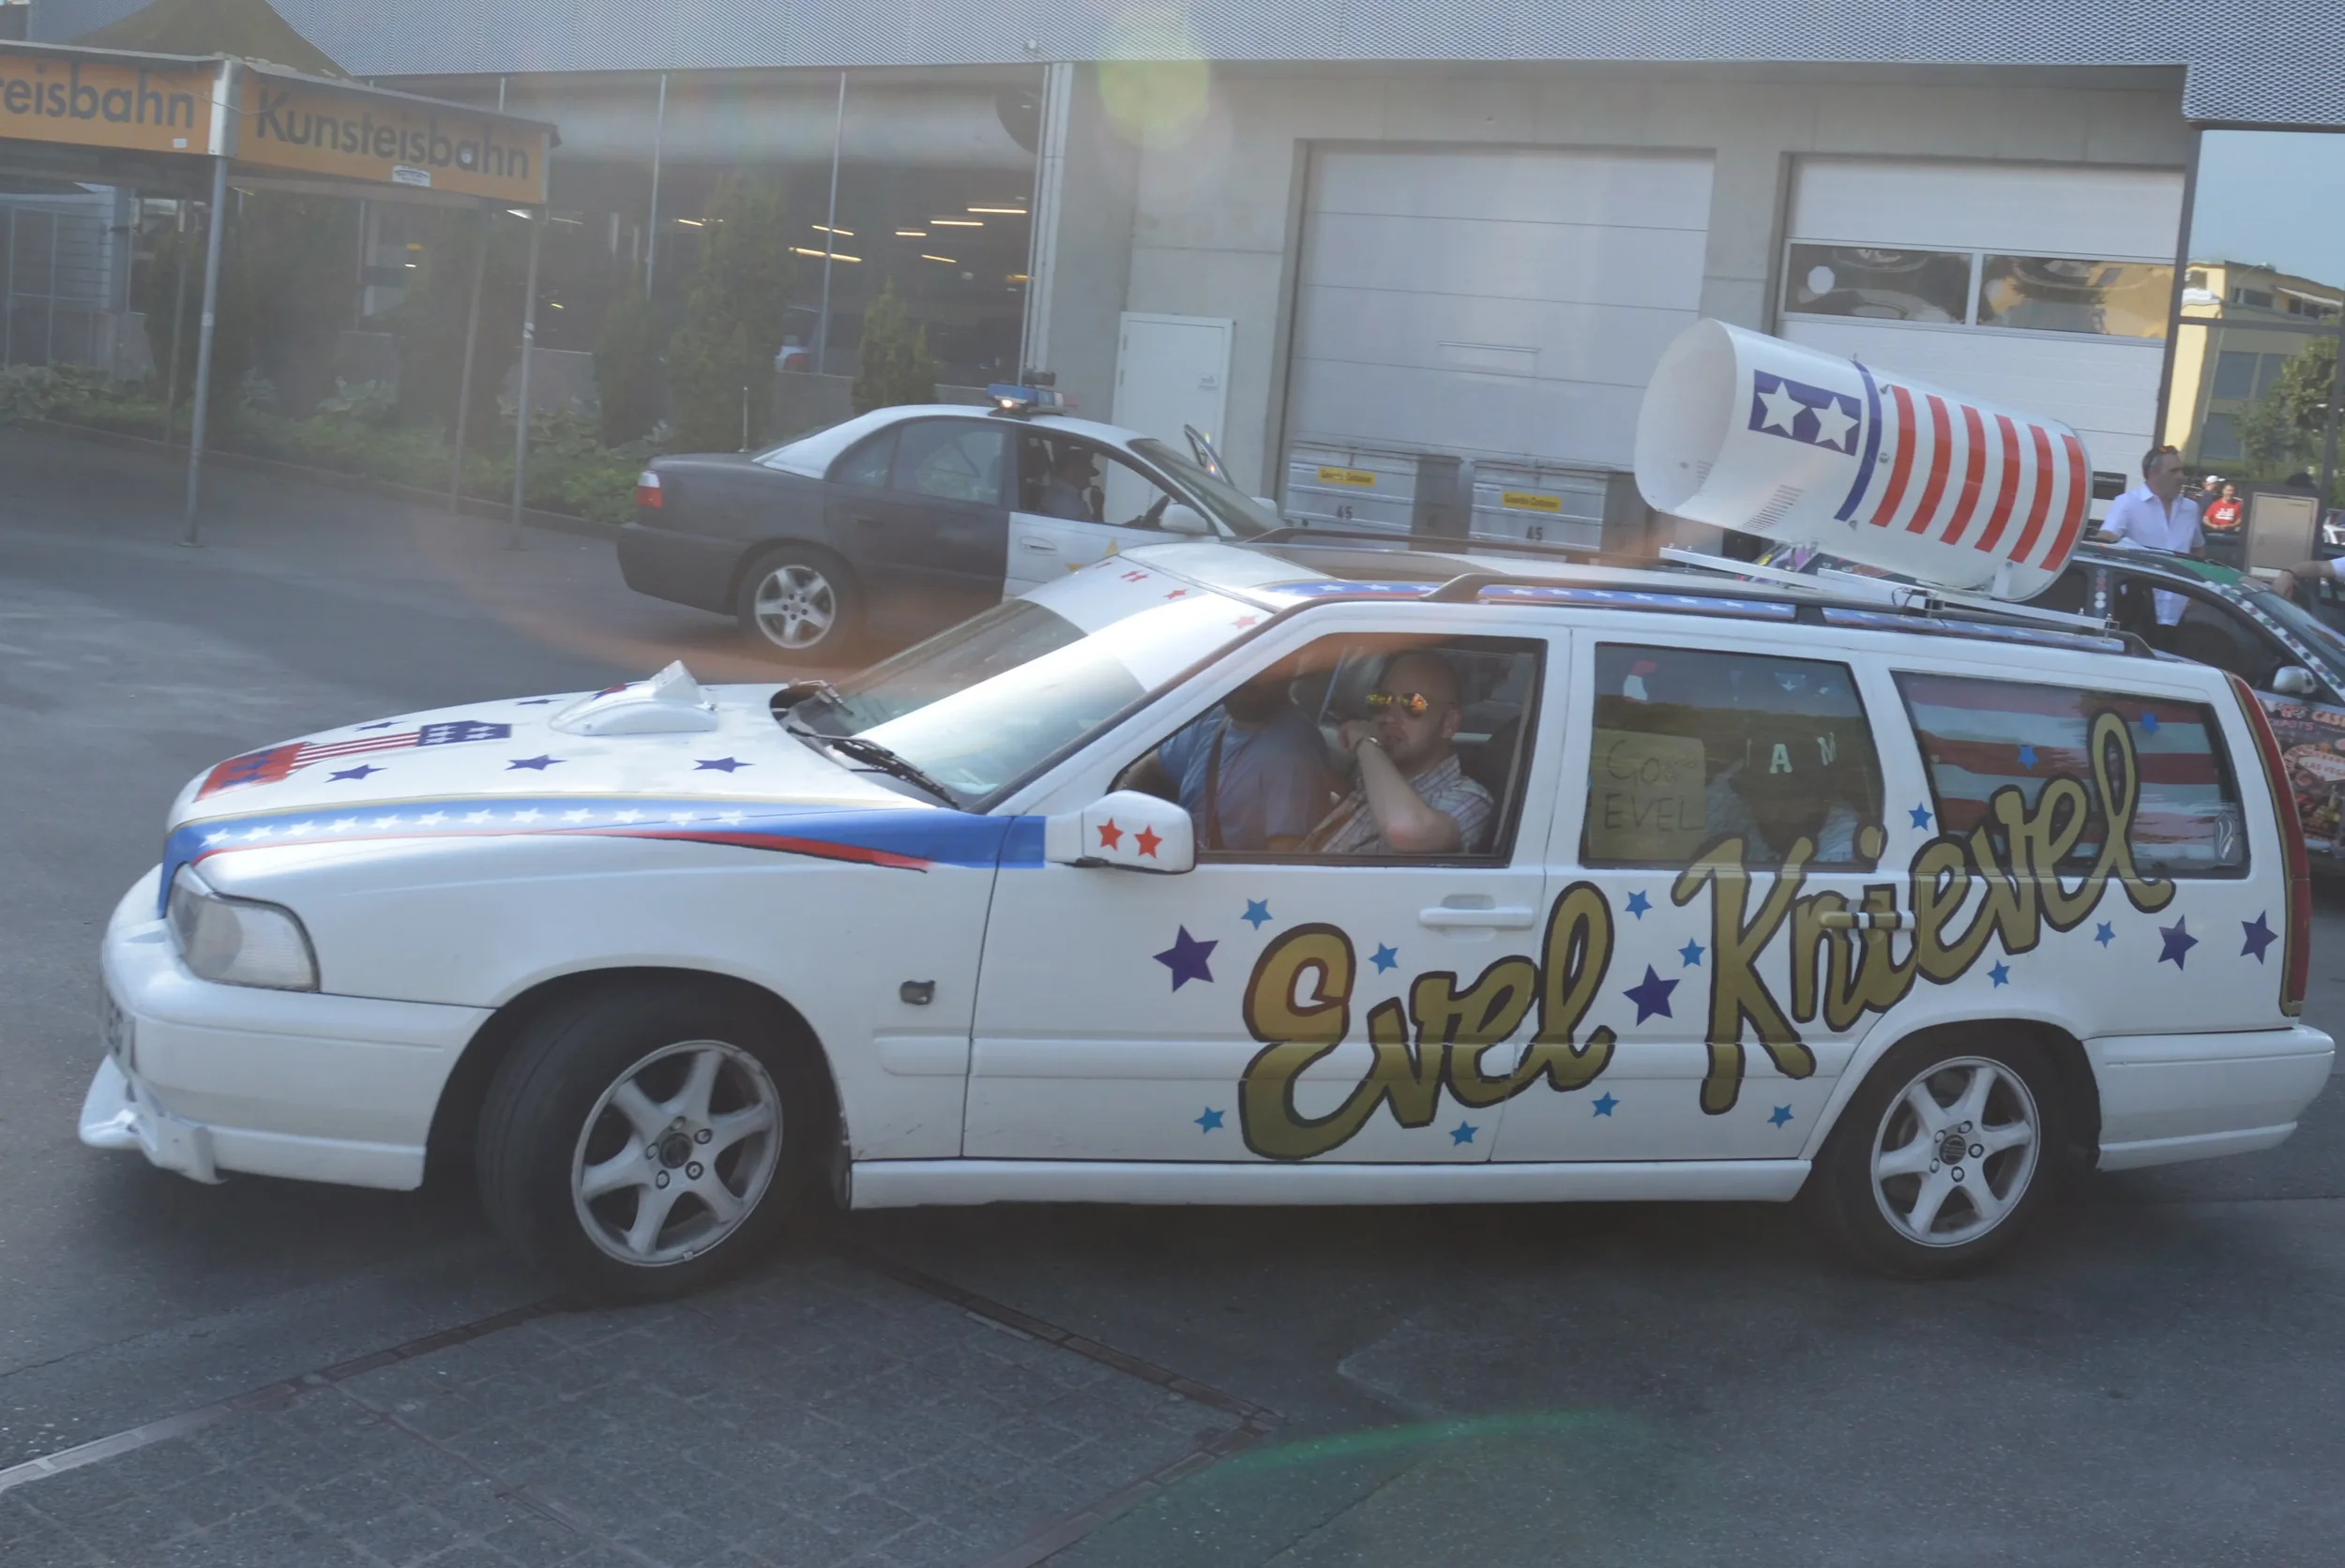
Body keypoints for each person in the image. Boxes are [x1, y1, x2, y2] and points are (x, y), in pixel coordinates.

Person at [1121, 670, 1336, 853]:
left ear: (1287, 674)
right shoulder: (1215, 718)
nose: (1249, 682)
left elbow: (1286, 862)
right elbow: (1152, 767)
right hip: (1185, 864)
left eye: (1263, 672)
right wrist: (1118, 808)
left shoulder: (1292, 754)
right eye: (1242, 670)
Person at [1304, 650, 1494, 855]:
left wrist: (1366, 742)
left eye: (1412, 704)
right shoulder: (1373, 775)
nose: (1388, 717)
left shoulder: (1469, 798)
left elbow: (1406, 831)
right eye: (1382, 700)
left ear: (1449, 723)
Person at [1705, 719, 1861, 864]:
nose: (1773, 815)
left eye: (1788, 799)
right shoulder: (1730, 805)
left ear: (1822, 800)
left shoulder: (1843, 847)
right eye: (1761, 796)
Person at [2096, 444, 2204, 627]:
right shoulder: (2127, 503)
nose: (2182, 477)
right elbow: (2105, 538)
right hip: (2138, 607)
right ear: (2154, 473)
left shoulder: (2190, 508)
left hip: (2178, 612)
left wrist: (2196, 589)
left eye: (2182, 471)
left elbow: (2198, 548)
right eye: (2174, 471)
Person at [1037, 446, 1097, 520]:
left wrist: (1098, 508)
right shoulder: (1064, 500)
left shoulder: (1061, 494)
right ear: (1071, 471)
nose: (1089, 479)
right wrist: (1098, 511)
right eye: (1087, 473)